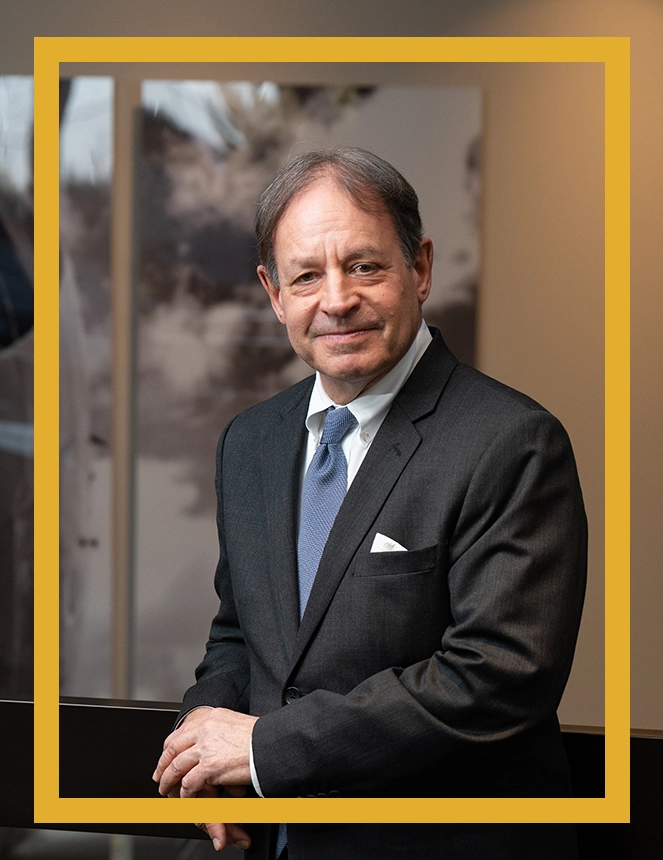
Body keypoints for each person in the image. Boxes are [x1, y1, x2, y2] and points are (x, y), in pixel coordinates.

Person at [153, 148, 587, 859]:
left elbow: (497, 677)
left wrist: (265, 748)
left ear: (418, 268)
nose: (335, 300)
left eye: (363, 266)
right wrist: (206, 730)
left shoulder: (511, 443)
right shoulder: (250, 443)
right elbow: (240, 634)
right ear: (272, 292)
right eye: (305, 276)